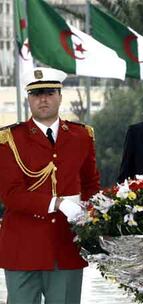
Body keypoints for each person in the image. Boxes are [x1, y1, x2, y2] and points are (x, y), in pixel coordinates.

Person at [0, 67, 100, 303]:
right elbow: (10, 194)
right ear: (28, 98)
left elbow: (91, 184)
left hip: (66, 244)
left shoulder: (81, 136)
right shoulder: (9, 139)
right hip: (23, 247)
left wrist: (91, 215)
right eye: (36, 94)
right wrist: (57, 203)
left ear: (60, 96)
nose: (43, 99)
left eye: (49, 93)